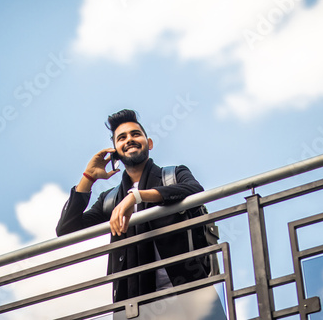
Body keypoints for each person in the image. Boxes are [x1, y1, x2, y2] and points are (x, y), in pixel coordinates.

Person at [56, 109, 224, 317]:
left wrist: (137, 197)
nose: (129, 140)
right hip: (136, 307)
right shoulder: (110, 199)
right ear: (115, 152)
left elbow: (194, 190)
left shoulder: (173, 175)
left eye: (135, 134)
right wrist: (88, 178)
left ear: (149, 143)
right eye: (122, 138)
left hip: (191, 297)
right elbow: (66, 229)